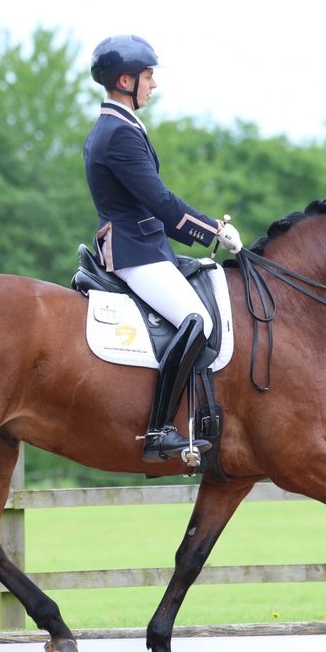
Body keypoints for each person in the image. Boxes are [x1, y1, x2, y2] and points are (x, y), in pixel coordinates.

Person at [83, 34, 243, 464]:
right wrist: (214, 231)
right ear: (125, 79)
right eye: (148, 76)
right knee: (197, 320)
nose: (153, 85)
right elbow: (160, 201)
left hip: (145, 245)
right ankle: (159, 431)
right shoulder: (118, 133)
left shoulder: (120, 126)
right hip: (136, 251)